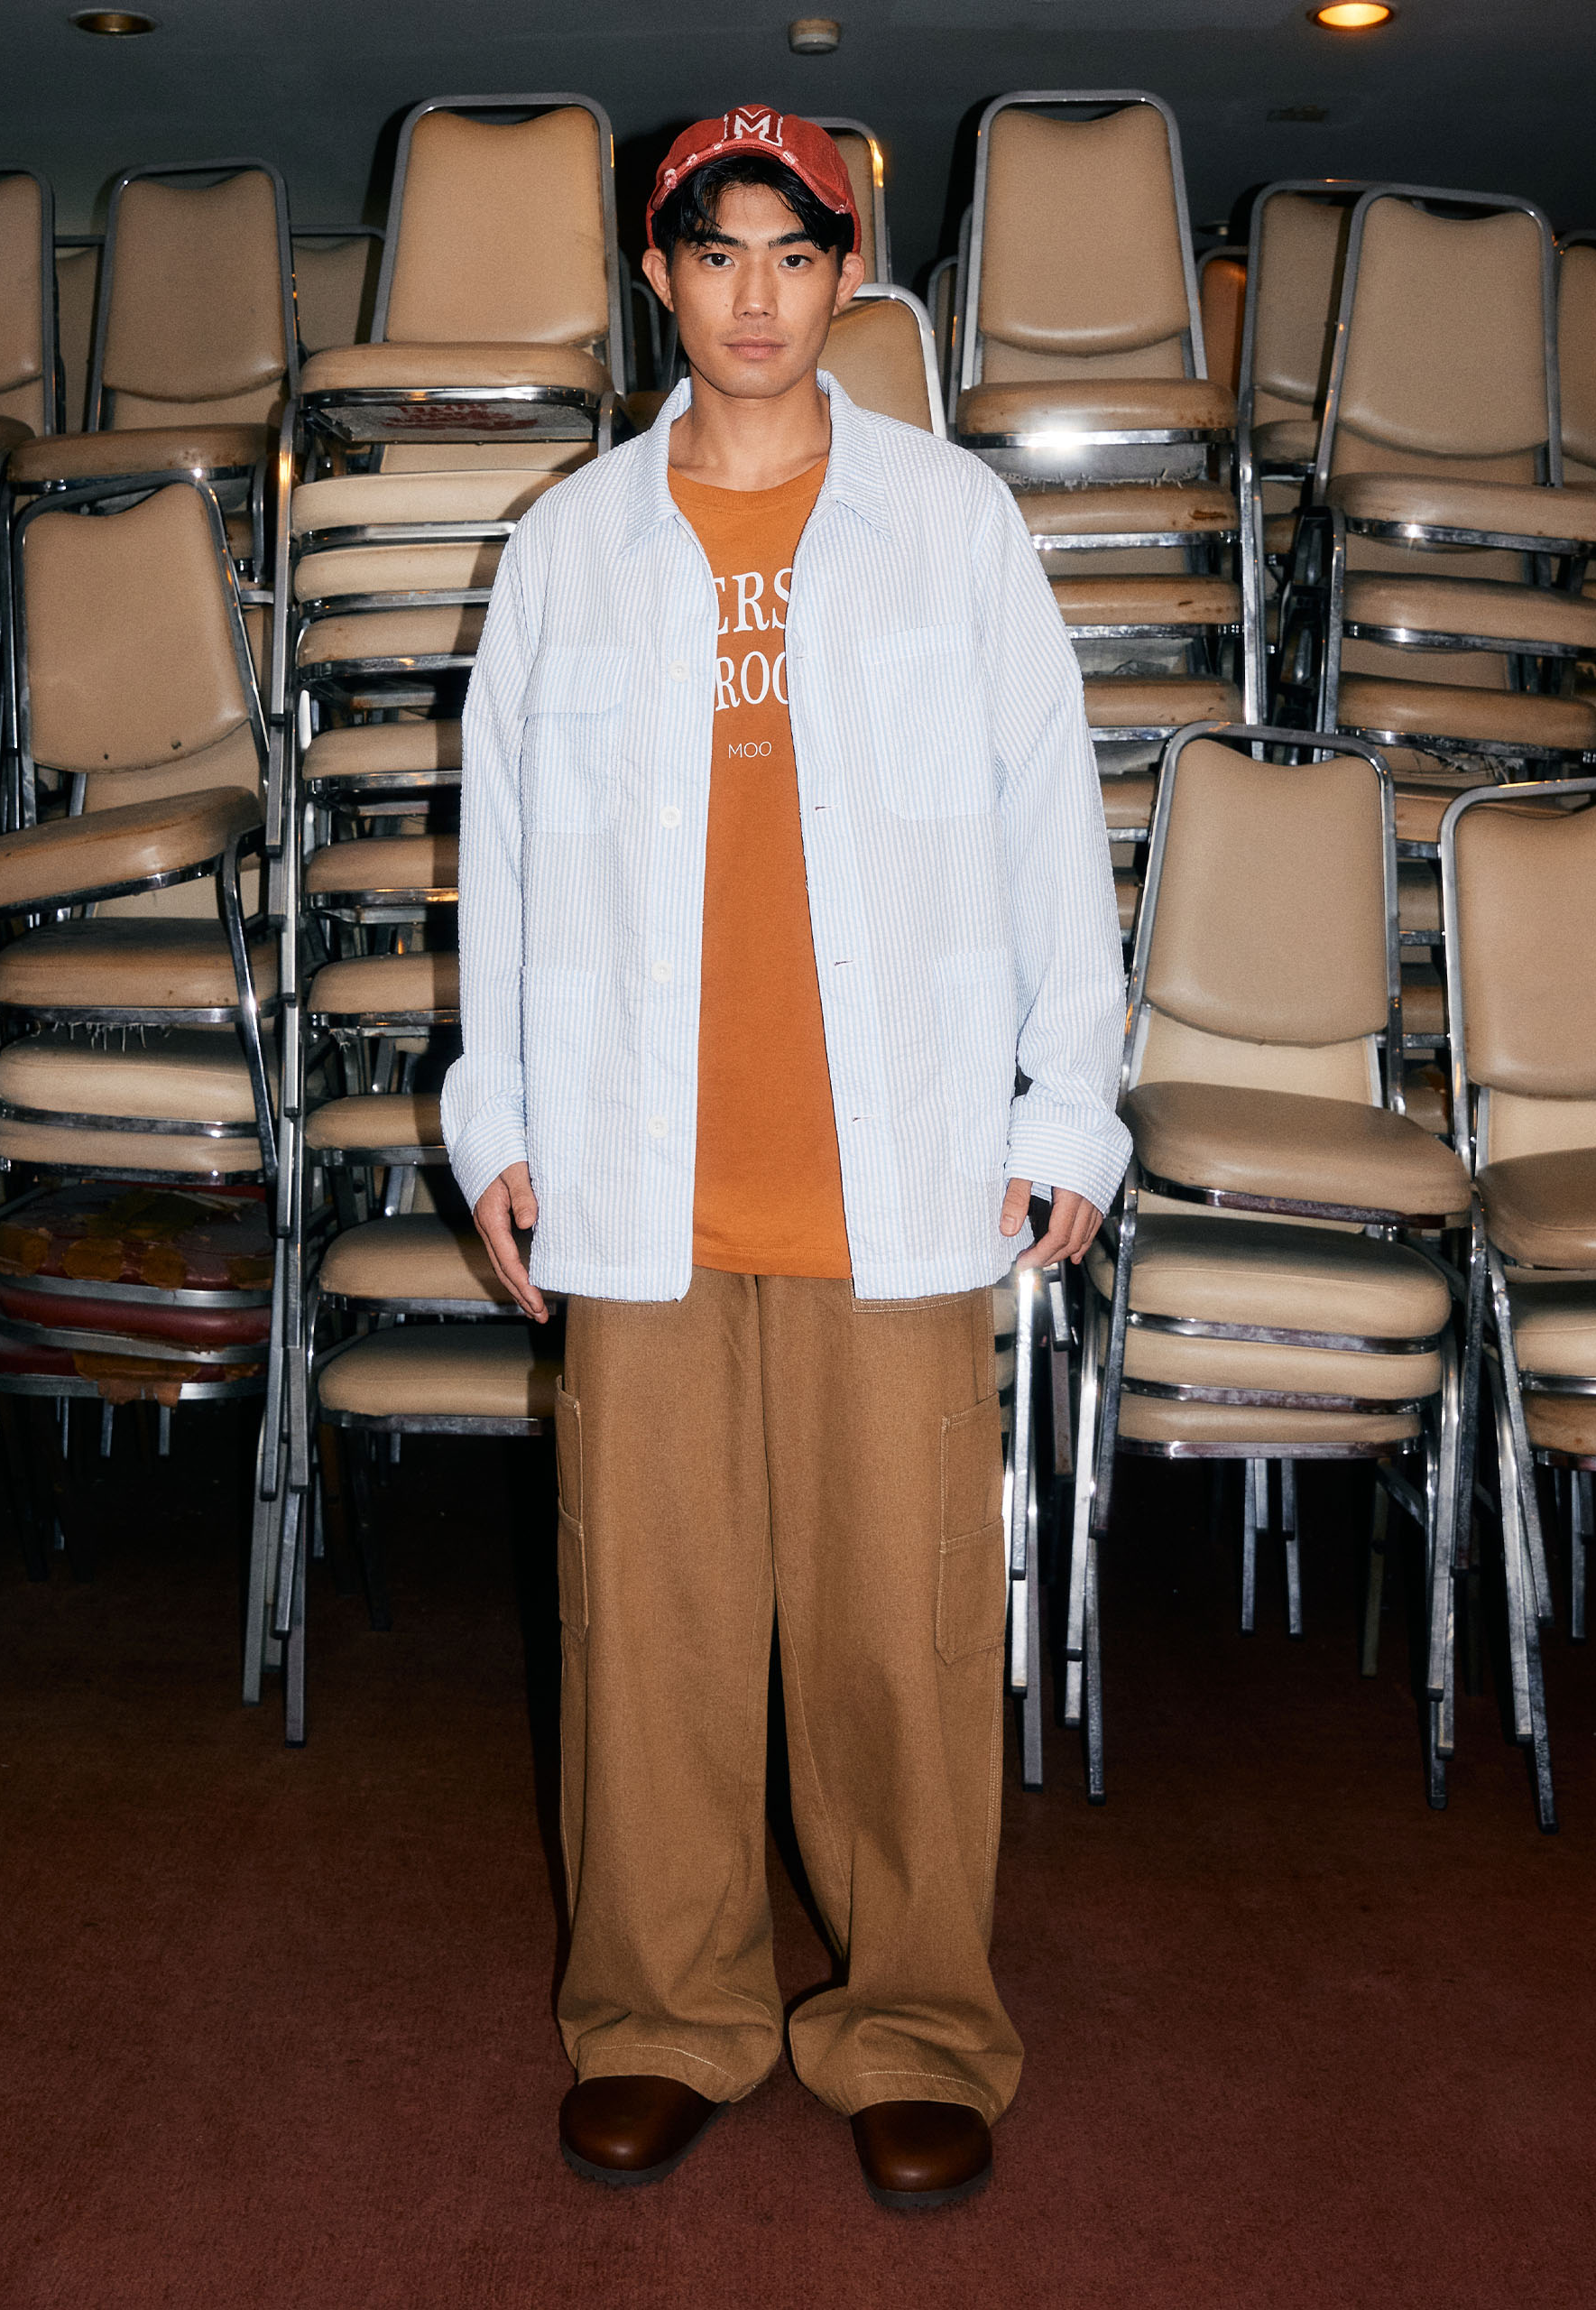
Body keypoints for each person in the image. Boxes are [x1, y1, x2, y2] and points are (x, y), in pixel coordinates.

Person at [444, 105, 1128, 2211]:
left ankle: (914, 2022)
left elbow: (1050, 824)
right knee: (643, 1637)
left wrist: (1067, 1103)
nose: (754, 292)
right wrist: (499, 1122)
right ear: (660, 276)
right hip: (640, 1179)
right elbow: (499, 865)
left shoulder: (953, 523)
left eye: (794, 251)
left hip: (894, 1179)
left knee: (897, 1639)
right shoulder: (569, 544)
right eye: (714, 250)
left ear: (845, 276)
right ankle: (662, 2013)